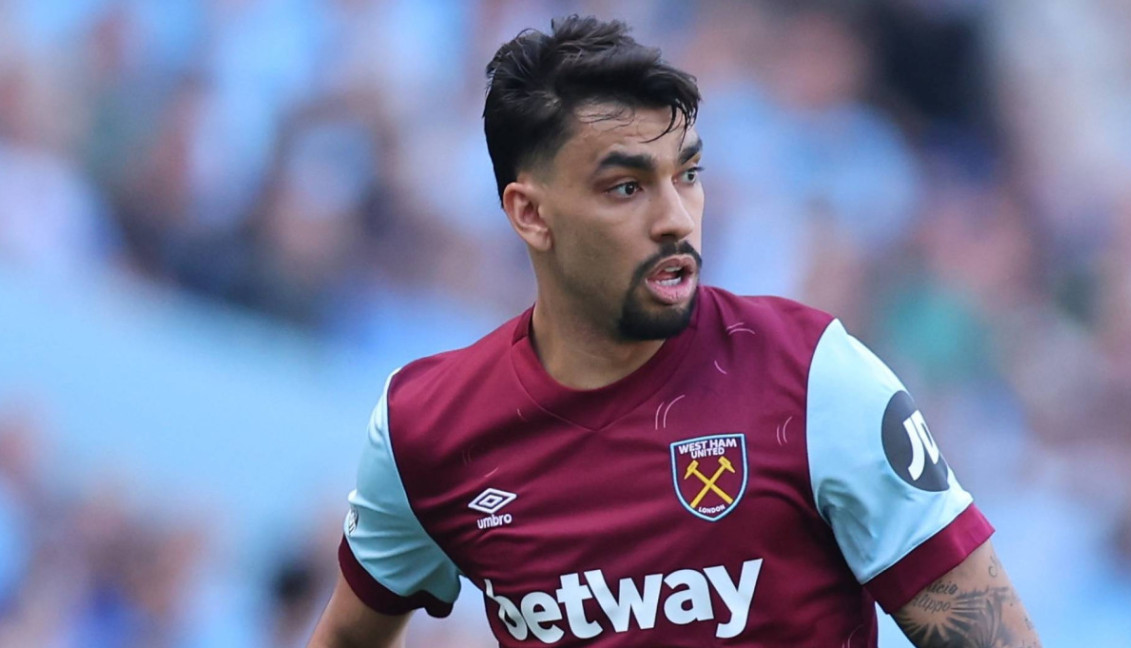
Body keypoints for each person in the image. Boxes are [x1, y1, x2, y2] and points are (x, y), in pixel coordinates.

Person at [308, 15, 1042, 648]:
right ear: (530, 214)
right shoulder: (427, 429)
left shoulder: (815, 378)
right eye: (626, 187)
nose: (676, 217)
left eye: (686, 174)